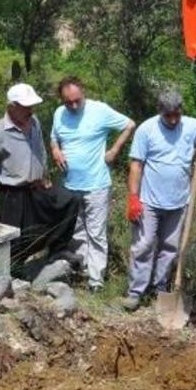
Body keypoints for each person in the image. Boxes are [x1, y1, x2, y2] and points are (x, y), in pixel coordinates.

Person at [50, 76, 136, 291]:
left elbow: (129, 124)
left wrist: (115, 150)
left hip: (96, 183)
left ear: (84, 93)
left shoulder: (100, 110)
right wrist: (56, 150)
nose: (73, 105)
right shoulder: (59, 114)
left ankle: (96, 280)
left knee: (96, 232)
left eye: (77, 100)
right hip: (70, 184)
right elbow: (54, 138)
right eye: (68, 102)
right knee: (77, 230)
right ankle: (85, 269)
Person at [0, 83, 81, 262]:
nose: (31, 110)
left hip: (37, 186)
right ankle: (13, 272)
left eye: (32, 106)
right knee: (15, 239)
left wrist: (44, 173)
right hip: (12, 193)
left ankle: (57, 249)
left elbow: (40, 149)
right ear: (12, 107)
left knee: (70, 201)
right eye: (26, 107)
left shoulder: (34, 121)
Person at [121, 91, 196, 311]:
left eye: (177, 114)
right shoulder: (146, 130)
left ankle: (160, 289)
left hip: (178, 201)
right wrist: (133, 198)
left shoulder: (194, 127)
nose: (173, 119)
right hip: (149, 201)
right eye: (168, 116)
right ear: (160, 112)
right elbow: (136, 165)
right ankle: (136, 292)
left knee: (170, 248)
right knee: (144, 244)